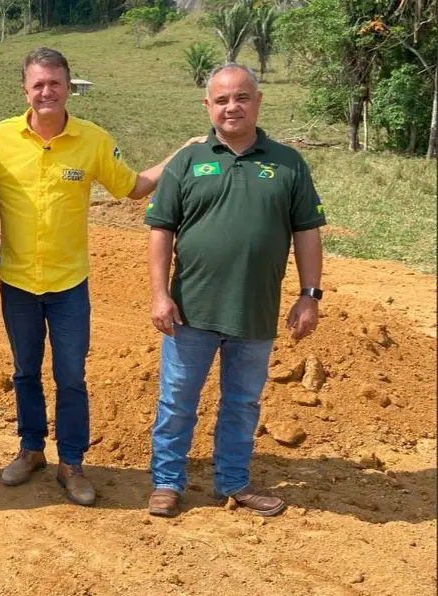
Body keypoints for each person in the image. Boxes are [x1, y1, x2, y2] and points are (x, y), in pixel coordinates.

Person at [0, 48, 202, 507]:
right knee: (25, 373)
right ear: (25, 90)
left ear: (69, 87)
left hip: (70, 285)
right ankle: (31, 450)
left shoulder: (92, 140)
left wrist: (181, 155)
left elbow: (133, 187)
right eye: (38, 84)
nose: (46, 91)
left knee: (71, 377)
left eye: (55, 83)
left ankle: (72, 462)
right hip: (19, 283)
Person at [144, 63, 327, 518]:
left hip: (255, 311)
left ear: (258, 102)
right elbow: (160, 231)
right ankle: (167, 482)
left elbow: (307, 232)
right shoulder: (187, 161)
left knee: (242, 404)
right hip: (190, 310)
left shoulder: (287, 162)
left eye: (241, 97)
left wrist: (310, 294)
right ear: (208, 106)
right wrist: (159, 293)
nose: (232, 107)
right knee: (177, 401)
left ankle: (233, 482)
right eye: (222, 99)